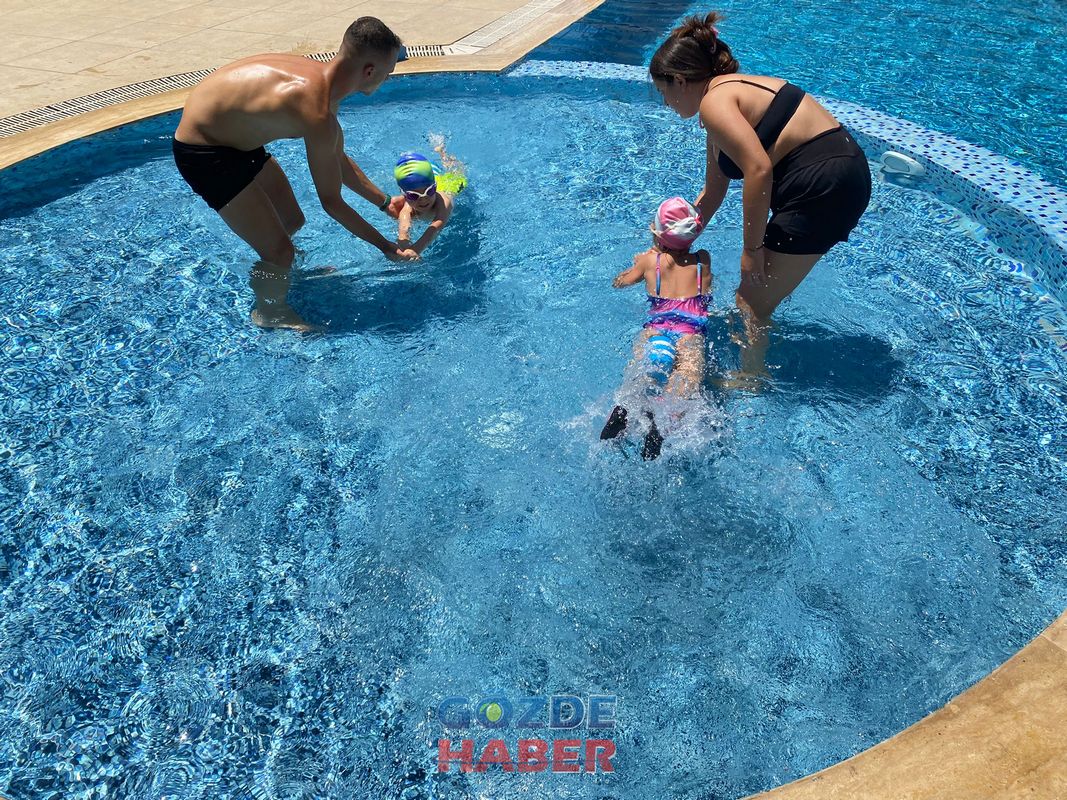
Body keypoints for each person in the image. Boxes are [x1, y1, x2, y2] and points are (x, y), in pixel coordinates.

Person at [649, 12, 871, 378]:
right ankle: (755, 356)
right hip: (840, 173)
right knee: (758, 294)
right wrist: (673, 240)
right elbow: (714, 191)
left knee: (750, 299)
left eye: (663, 92)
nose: (666, 103)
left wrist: (751, 251)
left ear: (680, 81)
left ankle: (751, 379)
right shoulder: (725, 98)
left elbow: (758, 170)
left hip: (822, 184)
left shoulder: (715, 103)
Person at [172, 17, 416, 332]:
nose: (388, 78)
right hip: (203, 152)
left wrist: (384, 202)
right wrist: (387, 247)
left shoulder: (323, 81)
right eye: (388, 72)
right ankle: (269, 313)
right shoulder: (317, 110)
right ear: (370, 71)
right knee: (279, 250)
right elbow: (331, 202)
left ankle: (283, 273)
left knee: (292, 219)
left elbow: (334, 156)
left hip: (233, 140)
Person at [602, 197, 711, 460]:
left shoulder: (649, 262)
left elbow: (620, 282)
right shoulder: (703, 260)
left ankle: (625, 408)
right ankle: (664, 420)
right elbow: (708, 291)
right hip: (690, 333)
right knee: (687, 377)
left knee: (641, 369)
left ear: (657, 235)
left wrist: (638, 263)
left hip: (656, 330)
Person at [393, 137, 468, 258]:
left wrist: (416, 249)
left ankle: (441, 151)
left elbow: (437, 226)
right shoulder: (408, 205)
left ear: (435, 187)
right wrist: (403, 240)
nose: (423, 199)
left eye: (429, 191)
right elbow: (404, 223)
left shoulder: (444, 203)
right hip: (428, 182)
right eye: (413, 195)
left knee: (457, 170)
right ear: (404, 195)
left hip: (449, 184)